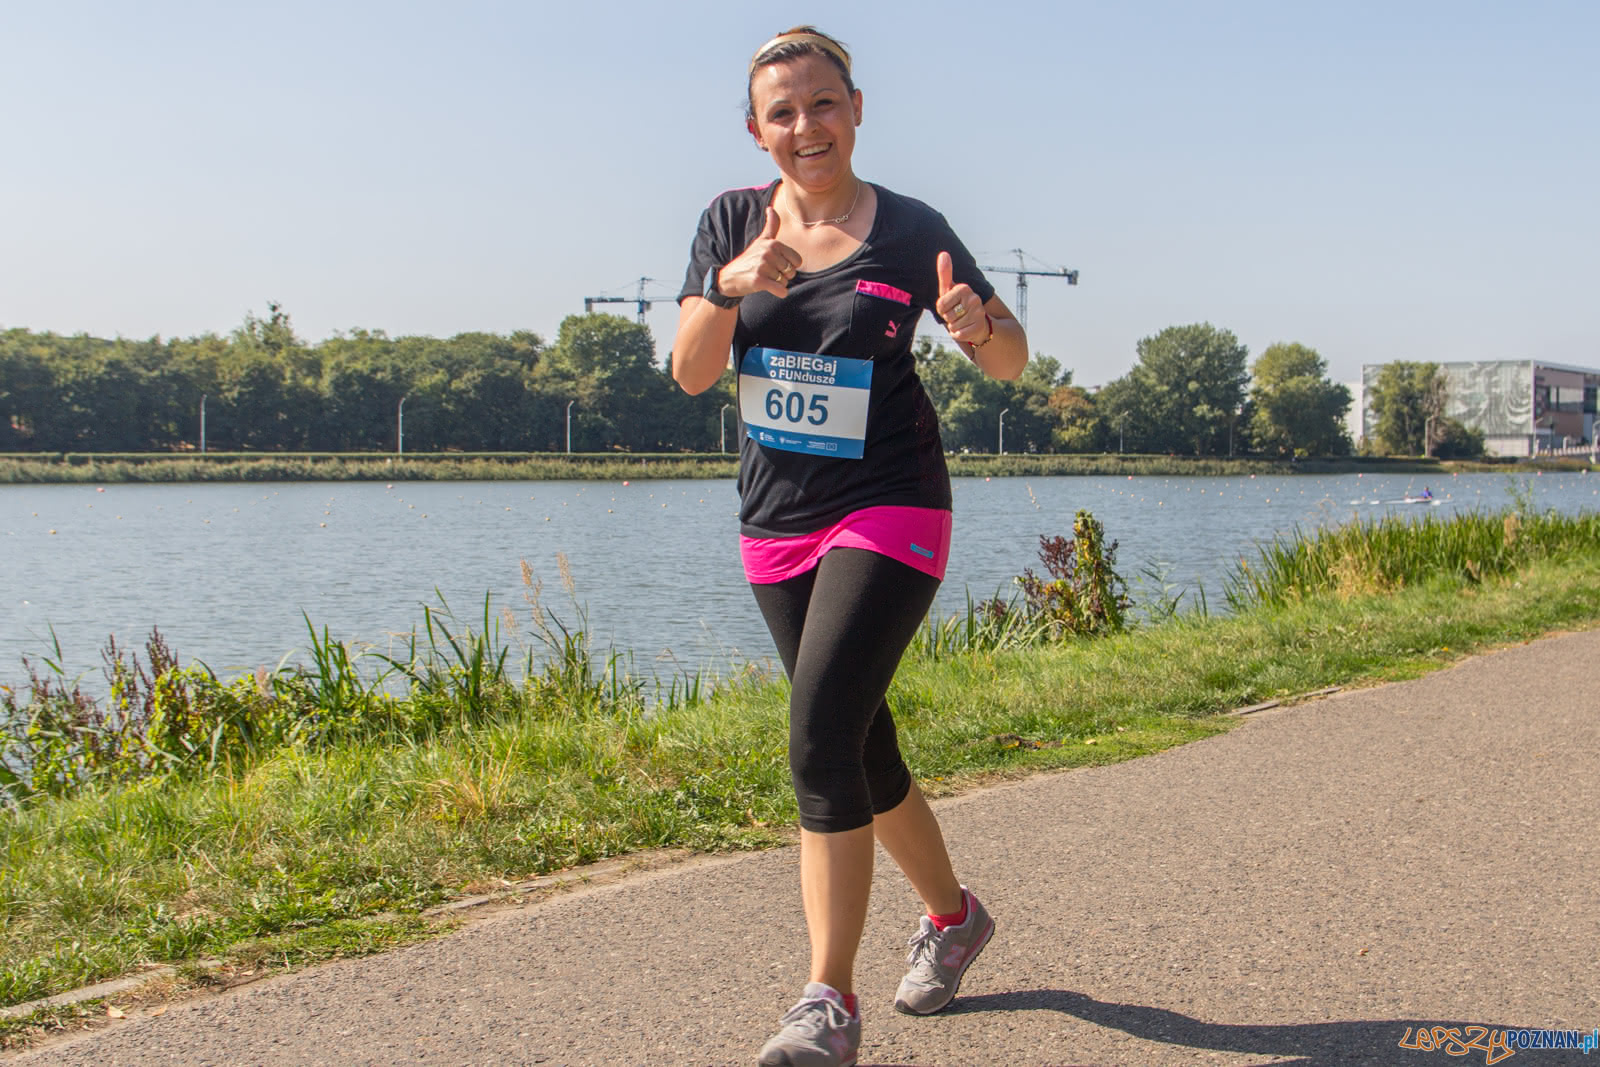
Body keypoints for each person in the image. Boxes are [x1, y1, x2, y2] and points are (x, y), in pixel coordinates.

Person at [671, 26, 1030, 1067]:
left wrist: (971, 325)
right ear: (756, 130)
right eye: (781, 113)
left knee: (819, 734)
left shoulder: (912, 228)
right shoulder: (730, 221)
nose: (804, 127)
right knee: (863, 746)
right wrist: (730, 283)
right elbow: (693, 372)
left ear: (856, 108)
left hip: (890, 502)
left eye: (821, 104)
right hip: (775, 518)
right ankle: (955, 917)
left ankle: (826, 999)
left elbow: (1010, 359)